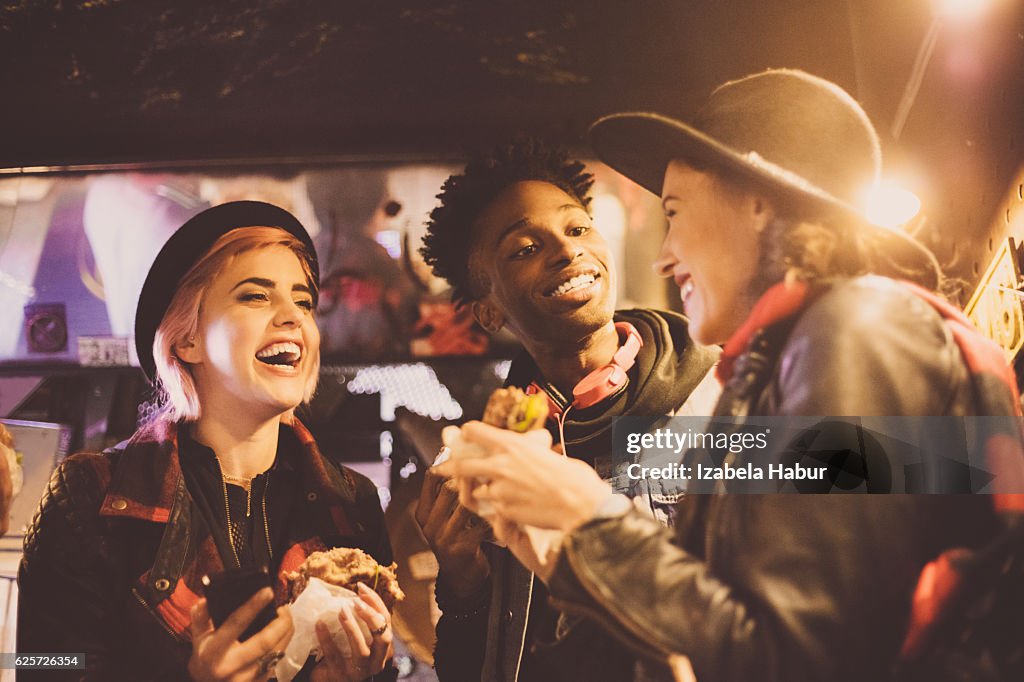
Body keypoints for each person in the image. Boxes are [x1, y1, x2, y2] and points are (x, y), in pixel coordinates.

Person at [440, 70, 1023, 681]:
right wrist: (563, 554)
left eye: (674, 211)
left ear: (758, 202)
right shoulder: (796, 368)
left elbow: (807, 657)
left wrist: (590, 521)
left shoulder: (854, 325)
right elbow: (735, 627)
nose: (664, 256)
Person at [18, 201, 397, 681]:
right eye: (256, 296)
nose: (293, 318)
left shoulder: (352, 506)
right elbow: (37, 664)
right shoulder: (90, 494)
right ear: (187, 340)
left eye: (304, 302)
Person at [416, 139, 720, 681]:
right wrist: (462, 577)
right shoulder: (491, 455)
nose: (566, 250)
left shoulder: (726, 396)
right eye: (524, 249)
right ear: (487, 309)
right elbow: (469, 668)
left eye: (577, 229)